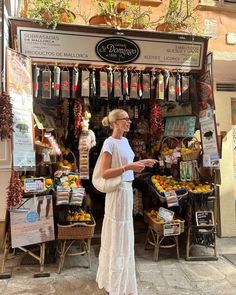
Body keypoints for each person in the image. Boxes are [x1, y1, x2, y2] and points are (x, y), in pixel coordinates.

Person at [96, 109, 157, 295]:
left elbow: (126, 165)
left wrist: (142, 162)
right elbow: (105, 173)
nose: (129, 122)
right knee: (116, 236)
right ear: (115, 123)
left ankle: (123, 284)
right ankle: (114, 284)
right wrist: (128, 167)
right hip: (117, 192)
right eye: (125, 119)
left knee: (124, 236)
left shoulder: (126, 141)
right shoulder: (109, 143)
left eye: (129, 119)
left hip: (126, 191)